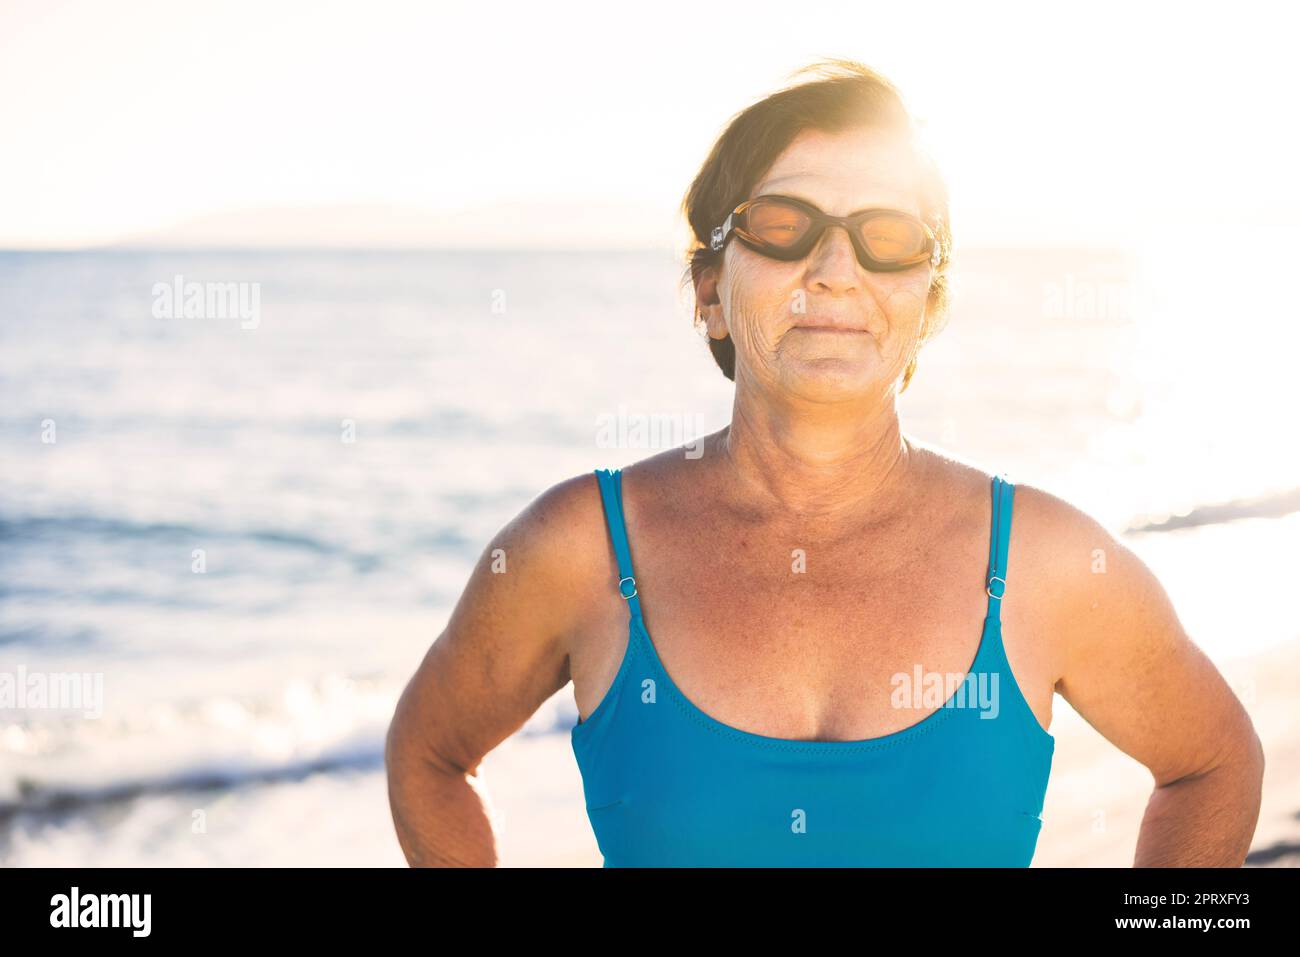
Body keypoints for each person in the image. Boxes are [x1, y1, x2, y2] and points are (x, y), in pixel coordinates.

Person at [385, 59, 1263, 867]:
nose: (835, 267)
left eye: (888, 235)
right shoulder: (582, 548)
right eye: (783, 224)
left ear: (929, 299)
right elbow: (428, 754)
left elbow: (1213, 761)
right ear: (709, 291)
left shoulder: (1046, 563)